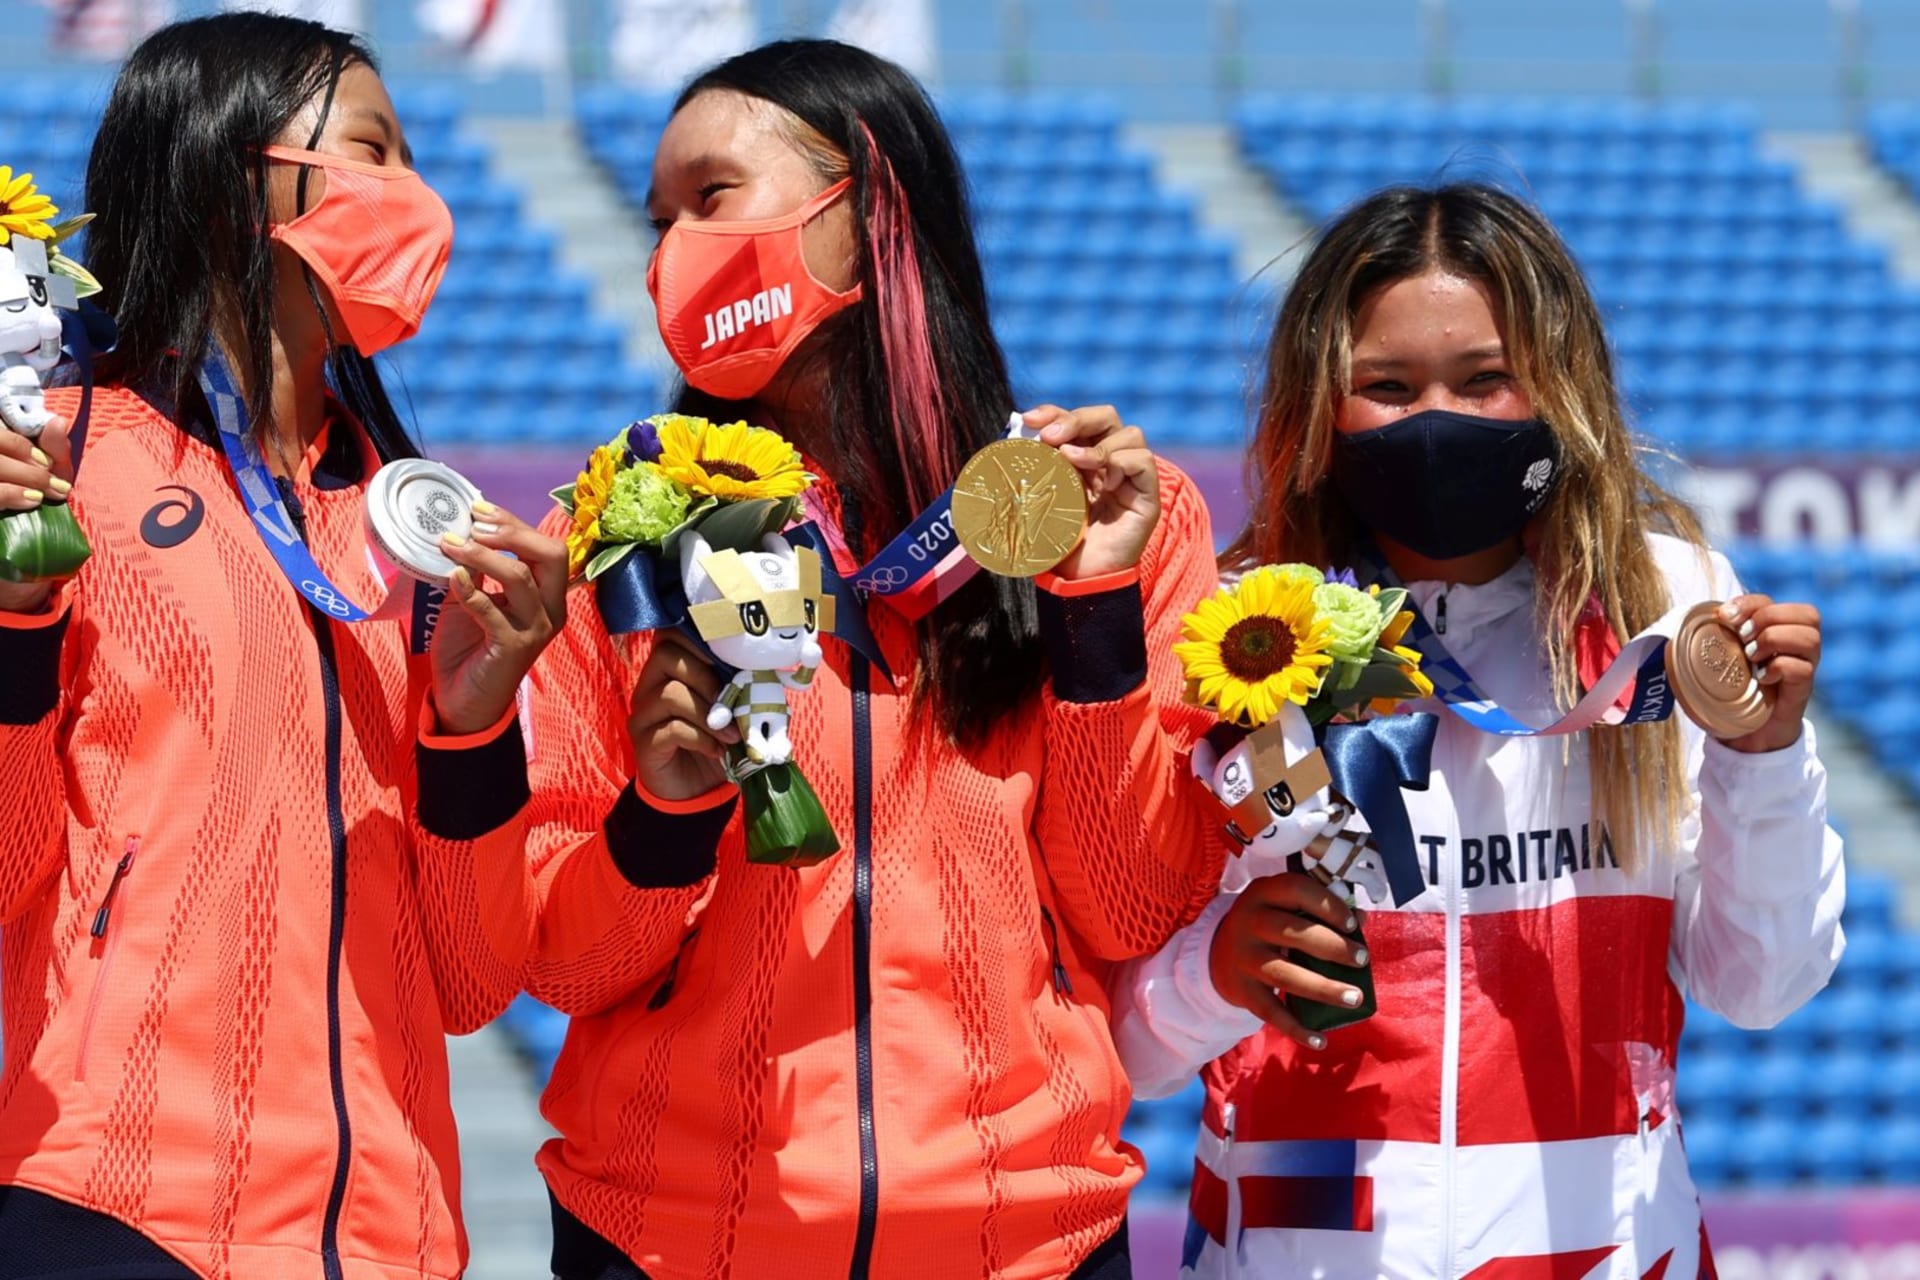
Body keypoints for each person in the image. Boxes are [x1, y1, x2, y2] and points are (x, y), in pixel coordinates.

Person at [466, 37, 1231, 1280]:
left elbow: (1132, 904)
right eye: (659, 220)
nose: (672, 251)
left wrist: (1093, 609)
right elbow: (565, 960)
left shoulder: (1087, 517)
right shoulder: (618, 543)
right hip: (671, 1240)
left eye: (712, 197)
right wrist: (663, 815)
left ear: (868, 214)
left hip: (1026, 1240)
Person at [1109, 183, 1845, 1278]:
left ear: (1560, 385)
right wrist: (1215, 974)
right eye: (1388, 387)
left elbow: (1766, 981)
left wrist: (1763, 757)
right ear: (1319, 410)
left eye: (1483, 379)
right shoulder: (1236, 636)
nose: (1437, 419)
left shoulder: (1664, 609)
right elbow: (1127, 1048)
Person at [0, 14, 566, 1277]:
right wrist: (13, 618)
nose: (414, 193)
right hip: (119, 1204)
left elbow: (474, 974)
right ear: (224, 175)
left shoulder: (423, 528)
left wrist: (474, 727)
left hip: (391, 1235)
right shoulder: (56, 466)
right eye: (373, 149)